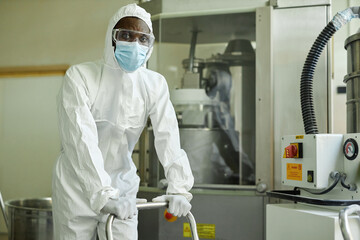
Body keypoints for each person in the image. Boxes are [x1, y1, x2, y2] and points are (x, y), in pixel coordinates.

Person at [52, 3, 194, 240]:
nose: (134, 44)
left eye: (143, 38)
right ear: (112, 37)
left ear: (150, 44)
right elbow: (80, 141)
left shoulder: (154, 84)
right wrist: (102, 193)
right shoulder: (80, 77)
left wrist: (179, 188)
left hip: (123, 186)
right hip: (76, 187)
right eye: (126, 35)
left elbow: (168, 135)